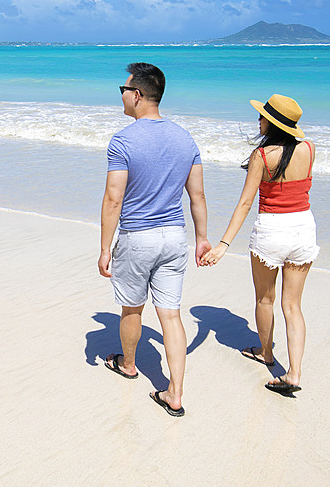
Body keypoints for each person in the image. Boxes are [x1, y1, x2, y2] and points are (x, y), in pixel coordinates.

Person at [99, 62, 210, 417]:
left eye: (123, 89)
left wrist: (105, 248)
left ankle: (128, 364)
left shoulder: (123, 140)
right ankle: (174, 392)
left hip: (138, 238)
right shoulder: (184, 137)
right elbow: (198, 196)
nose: (121, 95)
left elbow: (114, 198)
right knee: (171, 316)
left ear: (137, 94)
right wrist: (202, 238)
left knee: (132, 307)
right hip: (175, 237)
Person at [202, 94, 318, 395]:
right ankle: (294, 372)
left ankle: (266, 353)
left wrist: (223, 244)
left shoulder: (262, 156)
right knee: (293, 305)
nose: (259, 120)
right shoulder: (309, 148)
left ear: (274, 123)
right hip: (304, 228)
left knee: (265, 300)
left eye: (263, 116)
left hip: (272, 231)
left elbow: (244, 203)